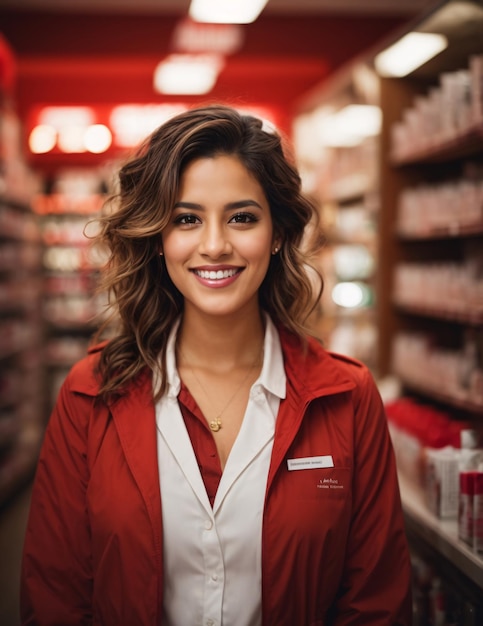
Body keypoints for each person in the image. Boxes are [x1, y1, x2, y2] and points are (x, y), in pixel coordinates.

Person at [21, 104, 412, 625]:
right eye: (186, 219)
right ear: (158, 239)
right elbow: (55, 596)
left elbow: (376, 601)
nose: (214, 246)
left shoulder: (346, 395)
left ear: (276, 235)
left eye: (242, 217)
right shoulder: (90, 393)